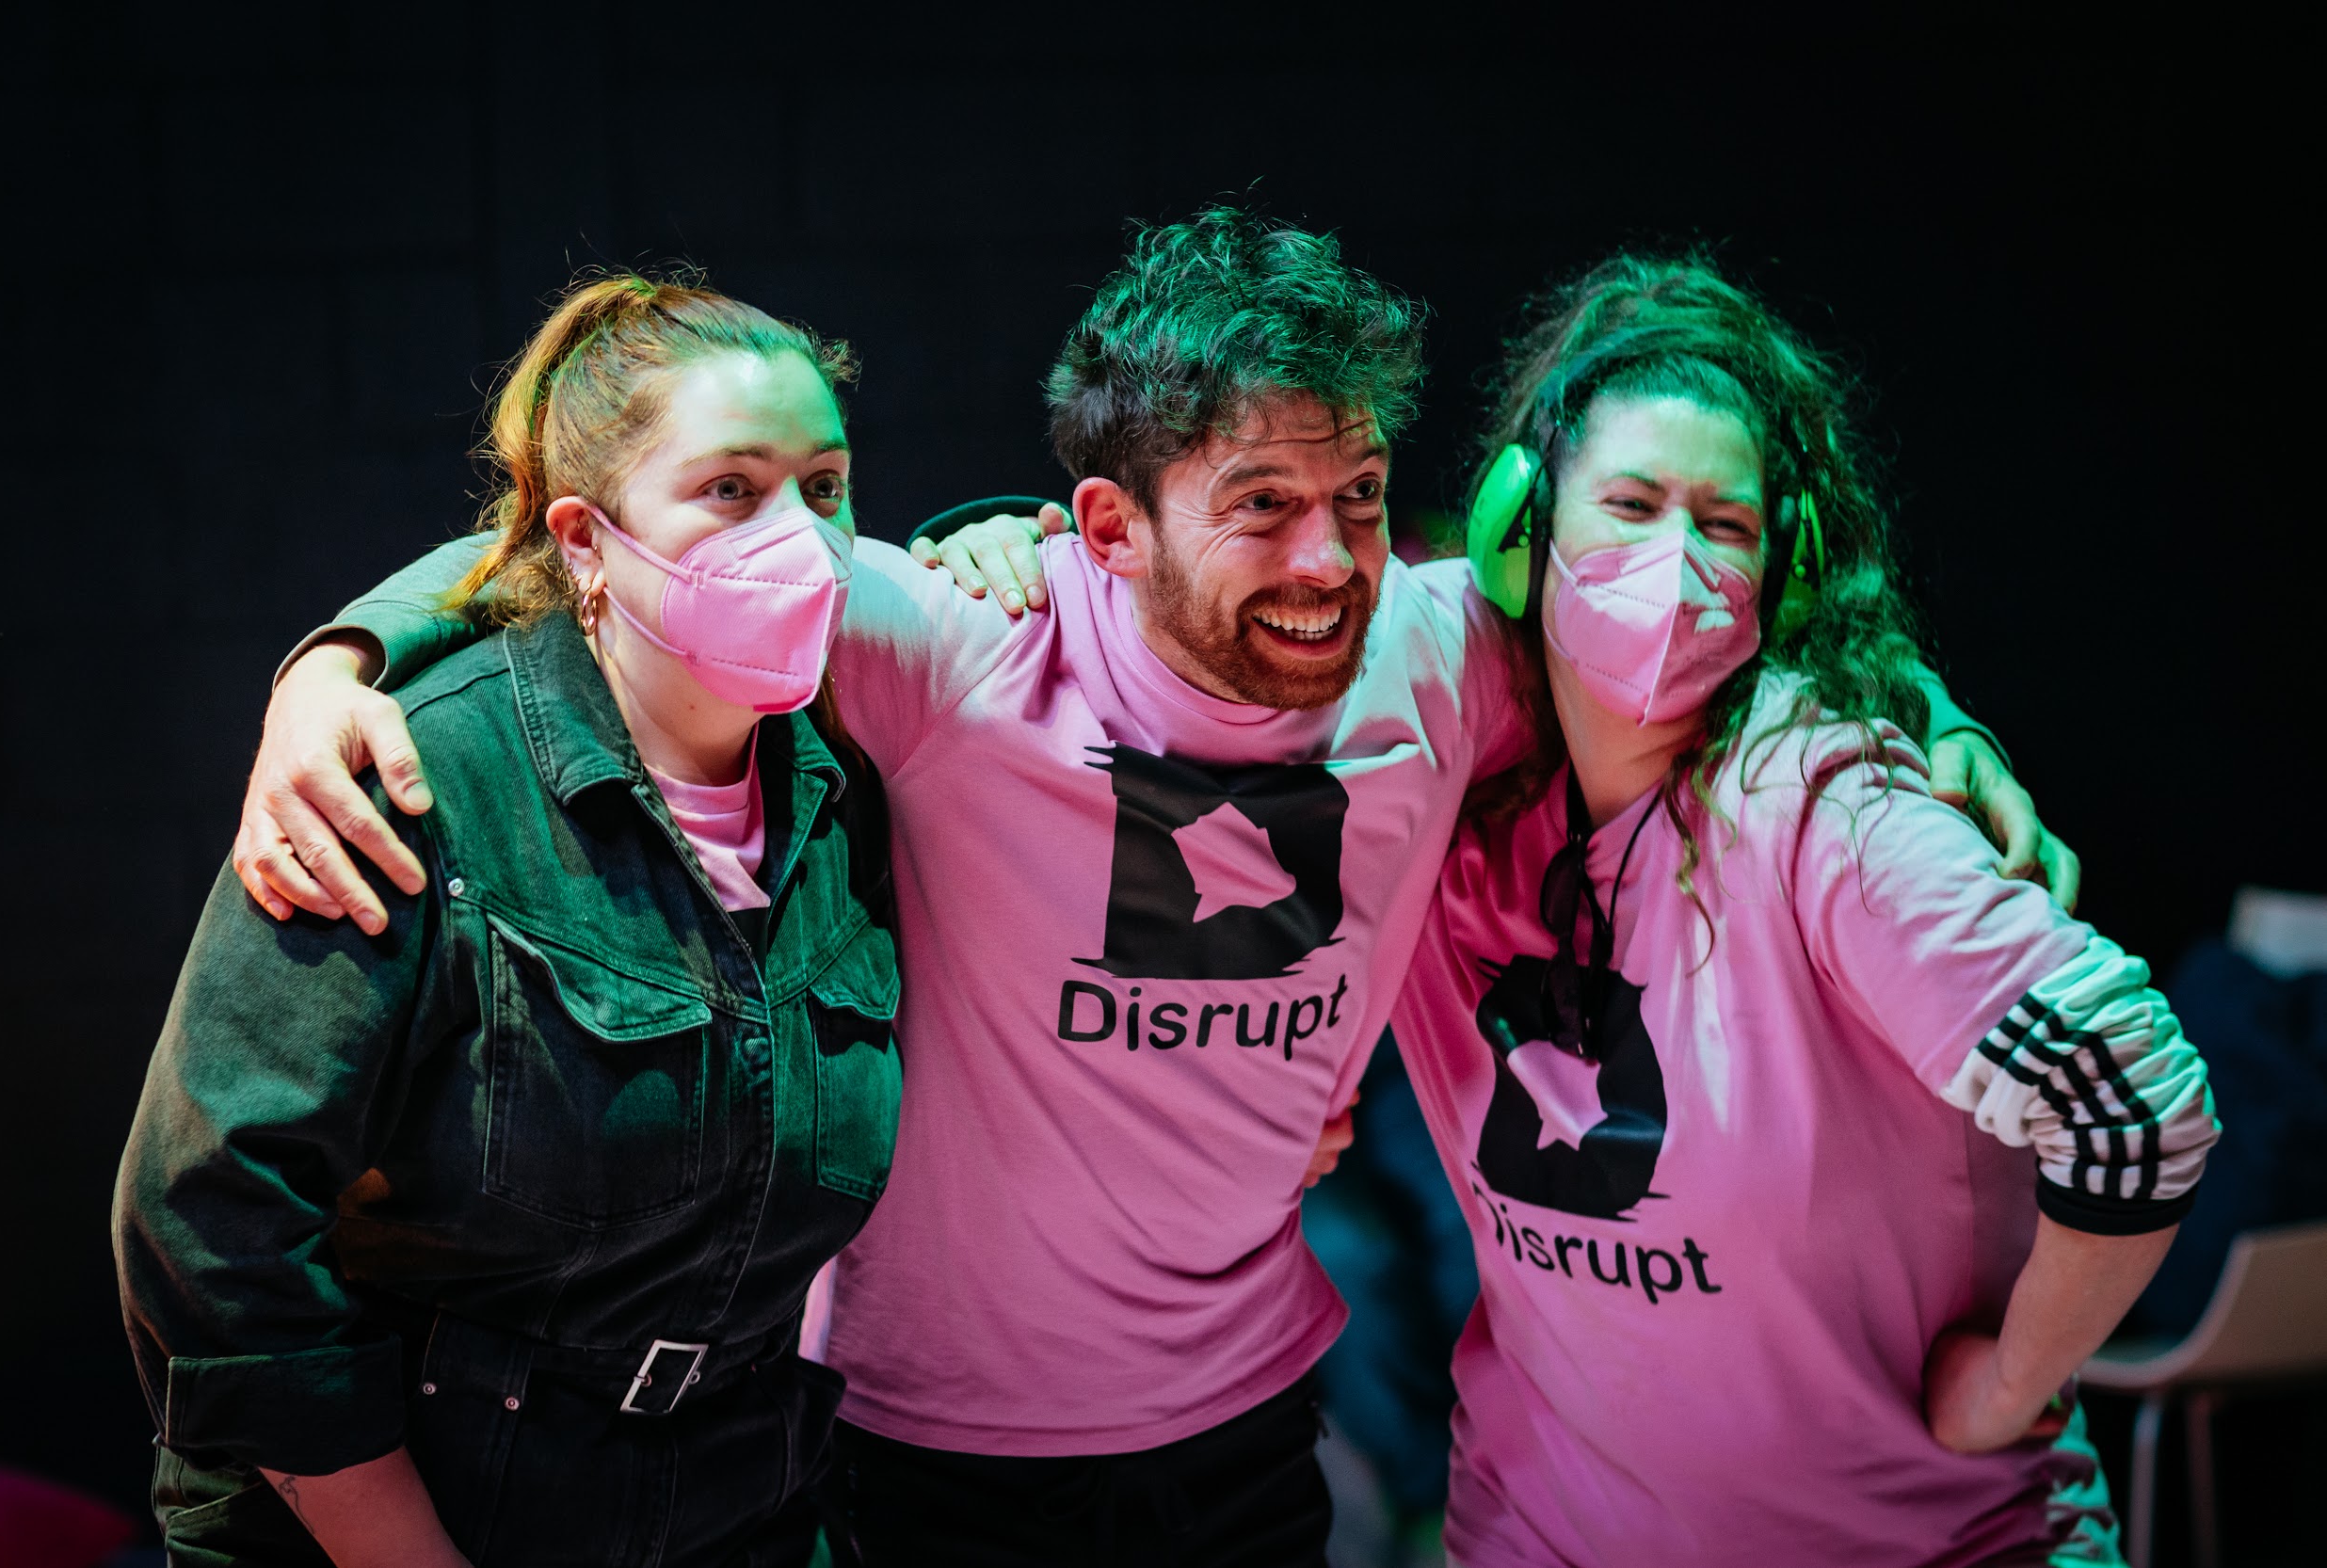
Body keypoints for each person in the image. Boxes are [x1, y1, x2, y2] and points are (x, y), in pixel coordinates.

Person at [228, 210, 2064, 1565]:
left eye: (1353, 496)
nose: (1326, 556)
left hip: (1250, 1434)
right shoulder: (956, 644)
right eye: (1257, 504)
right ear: (1105, 529)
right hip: (919, 1454)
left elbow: (1701, 623)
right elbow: (614, 540)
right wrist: (332, 662)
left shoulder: (1436, 656)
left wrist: (1931, 718)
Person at [1380, 255, 2222, 1565]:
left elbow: (2134, 1097)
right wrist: (1011, 556)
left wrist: (2009, 1379)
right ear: (1520, 530)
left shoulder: (1822, 808)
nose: (1674, 559)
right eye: (1632, 502)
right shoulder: (1450, 781)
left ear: (1788, 566)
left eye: (1724, 522)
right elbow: (1228, 615)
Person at [115, 274, 898, 1566]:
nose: (804, 540)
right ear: (588, 539)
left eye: (825, 484)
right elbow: (207, 1216)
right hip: (423, 1506)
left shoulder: (850, 776)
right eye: (731, 489)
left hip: (740, 1499)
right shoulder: (414, 776)